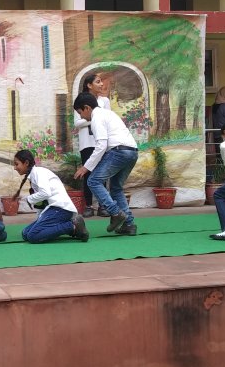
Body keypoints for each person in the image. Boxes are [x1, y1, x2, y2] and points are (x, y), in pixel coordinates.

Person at [72, 92, 138, 236]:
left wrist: (85, 167)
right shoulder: (108, 114)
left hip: (118, 151)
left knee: (93, 181)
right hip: (132, 152)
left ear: (87, 108)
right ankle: (129, 224)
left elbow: (101, 145)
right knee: (116, 188)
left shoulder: (96, 118)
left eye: (80, 112)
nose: (81, 117)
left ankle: (115, 213)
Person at [13, 149, 88, 244]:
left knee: (33, 236)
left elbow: (45, 193)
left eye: (16, 164)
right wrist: (41, 220)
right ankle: (72, 230)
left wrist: (29, 199)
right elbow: (42, 204)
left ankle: (72, 226)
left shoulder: (38, 172)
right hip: (53, 210)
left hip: (61, 209)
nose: (15, 168)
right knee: (25, 234)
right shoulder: (34, 176)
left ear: (26, 163)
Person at [74, 72, 112, 217]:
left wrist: (94, 119)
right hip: (87, 143)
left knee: (103, 173)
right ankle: (89, 206)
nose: (101, 84)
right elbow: (77, 123)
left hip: (101, 141)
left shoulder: (105, 101)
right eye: (98, 81)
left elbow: (107, 119)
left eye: (101, 81)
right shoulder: (80, 100)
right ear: (89, 85)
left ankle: (103, 205)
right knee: (87, 173)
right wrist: (93, 119)